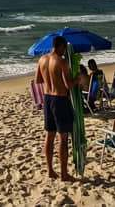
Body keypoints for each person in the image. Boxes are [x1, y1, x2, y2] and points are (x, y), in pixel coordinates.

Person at [34, 36, 74, 181]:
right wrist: (77, 80)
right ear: (60, 46)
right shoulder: (62, 61)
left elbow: (38, 80)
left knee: (49, 135)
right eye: (63, 48)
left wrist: (50, 79)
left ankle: (50, 170)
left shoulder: (42, 59)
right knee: (63, 137)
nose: (64, 52)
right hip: (59, 99)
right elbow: (68, 85)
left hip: (47, 99)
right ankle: (64, 174)